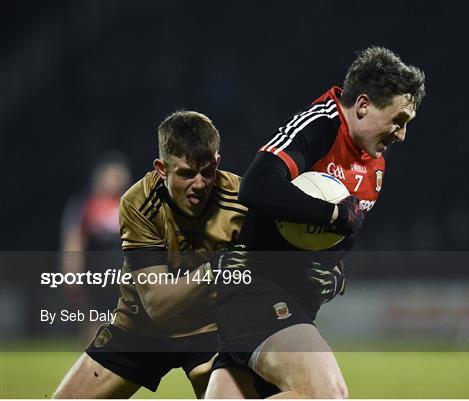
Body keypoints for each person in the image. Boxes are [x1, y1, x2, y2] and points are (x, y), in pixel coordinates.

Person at [53, 111, 336, 399]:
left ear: (218, 163)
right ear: (161, 169)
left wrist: (315, 270)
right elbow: (158, 305)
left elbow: (274, 261)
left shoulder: (244, 199)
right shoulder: (138, 202)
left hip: (213, 331)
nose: (199, 184)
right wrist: (218, 268)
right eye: (187, 173)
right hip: (141, 329)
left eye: (208, 171)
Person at [207, 46, 426, 399]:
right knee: (325, 393)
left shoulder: (374, 165)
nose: (401, 135)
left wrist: (333, 267)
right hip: (253, 288)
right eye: (398, 120)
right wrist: (332, 214)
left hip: (292, 303)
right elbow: (258, 184)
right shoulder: (322, 124)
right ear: (364, 104)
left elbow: (337, 235)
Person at [59, 152, 132, 341]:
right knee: (95, 323)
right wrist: (71, 273)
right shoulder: (86, 205)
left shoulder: (130, 205)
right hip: (96, 276)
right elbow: (74, 241)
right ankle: (91, 365)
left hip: (124, 278)